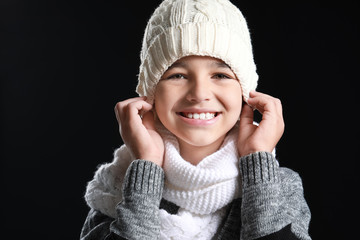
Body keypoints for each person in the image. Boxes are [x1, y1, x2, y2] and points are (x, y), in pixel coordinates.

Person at [80, 0, 311, 239]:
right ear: (150, 93)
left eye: (220, 75)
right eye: (177, 75)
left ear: (245, 92)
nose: (199, 94)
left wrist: (257, 160)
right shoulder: (116, 191)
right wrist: (146, 168)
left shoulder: (277, 188)